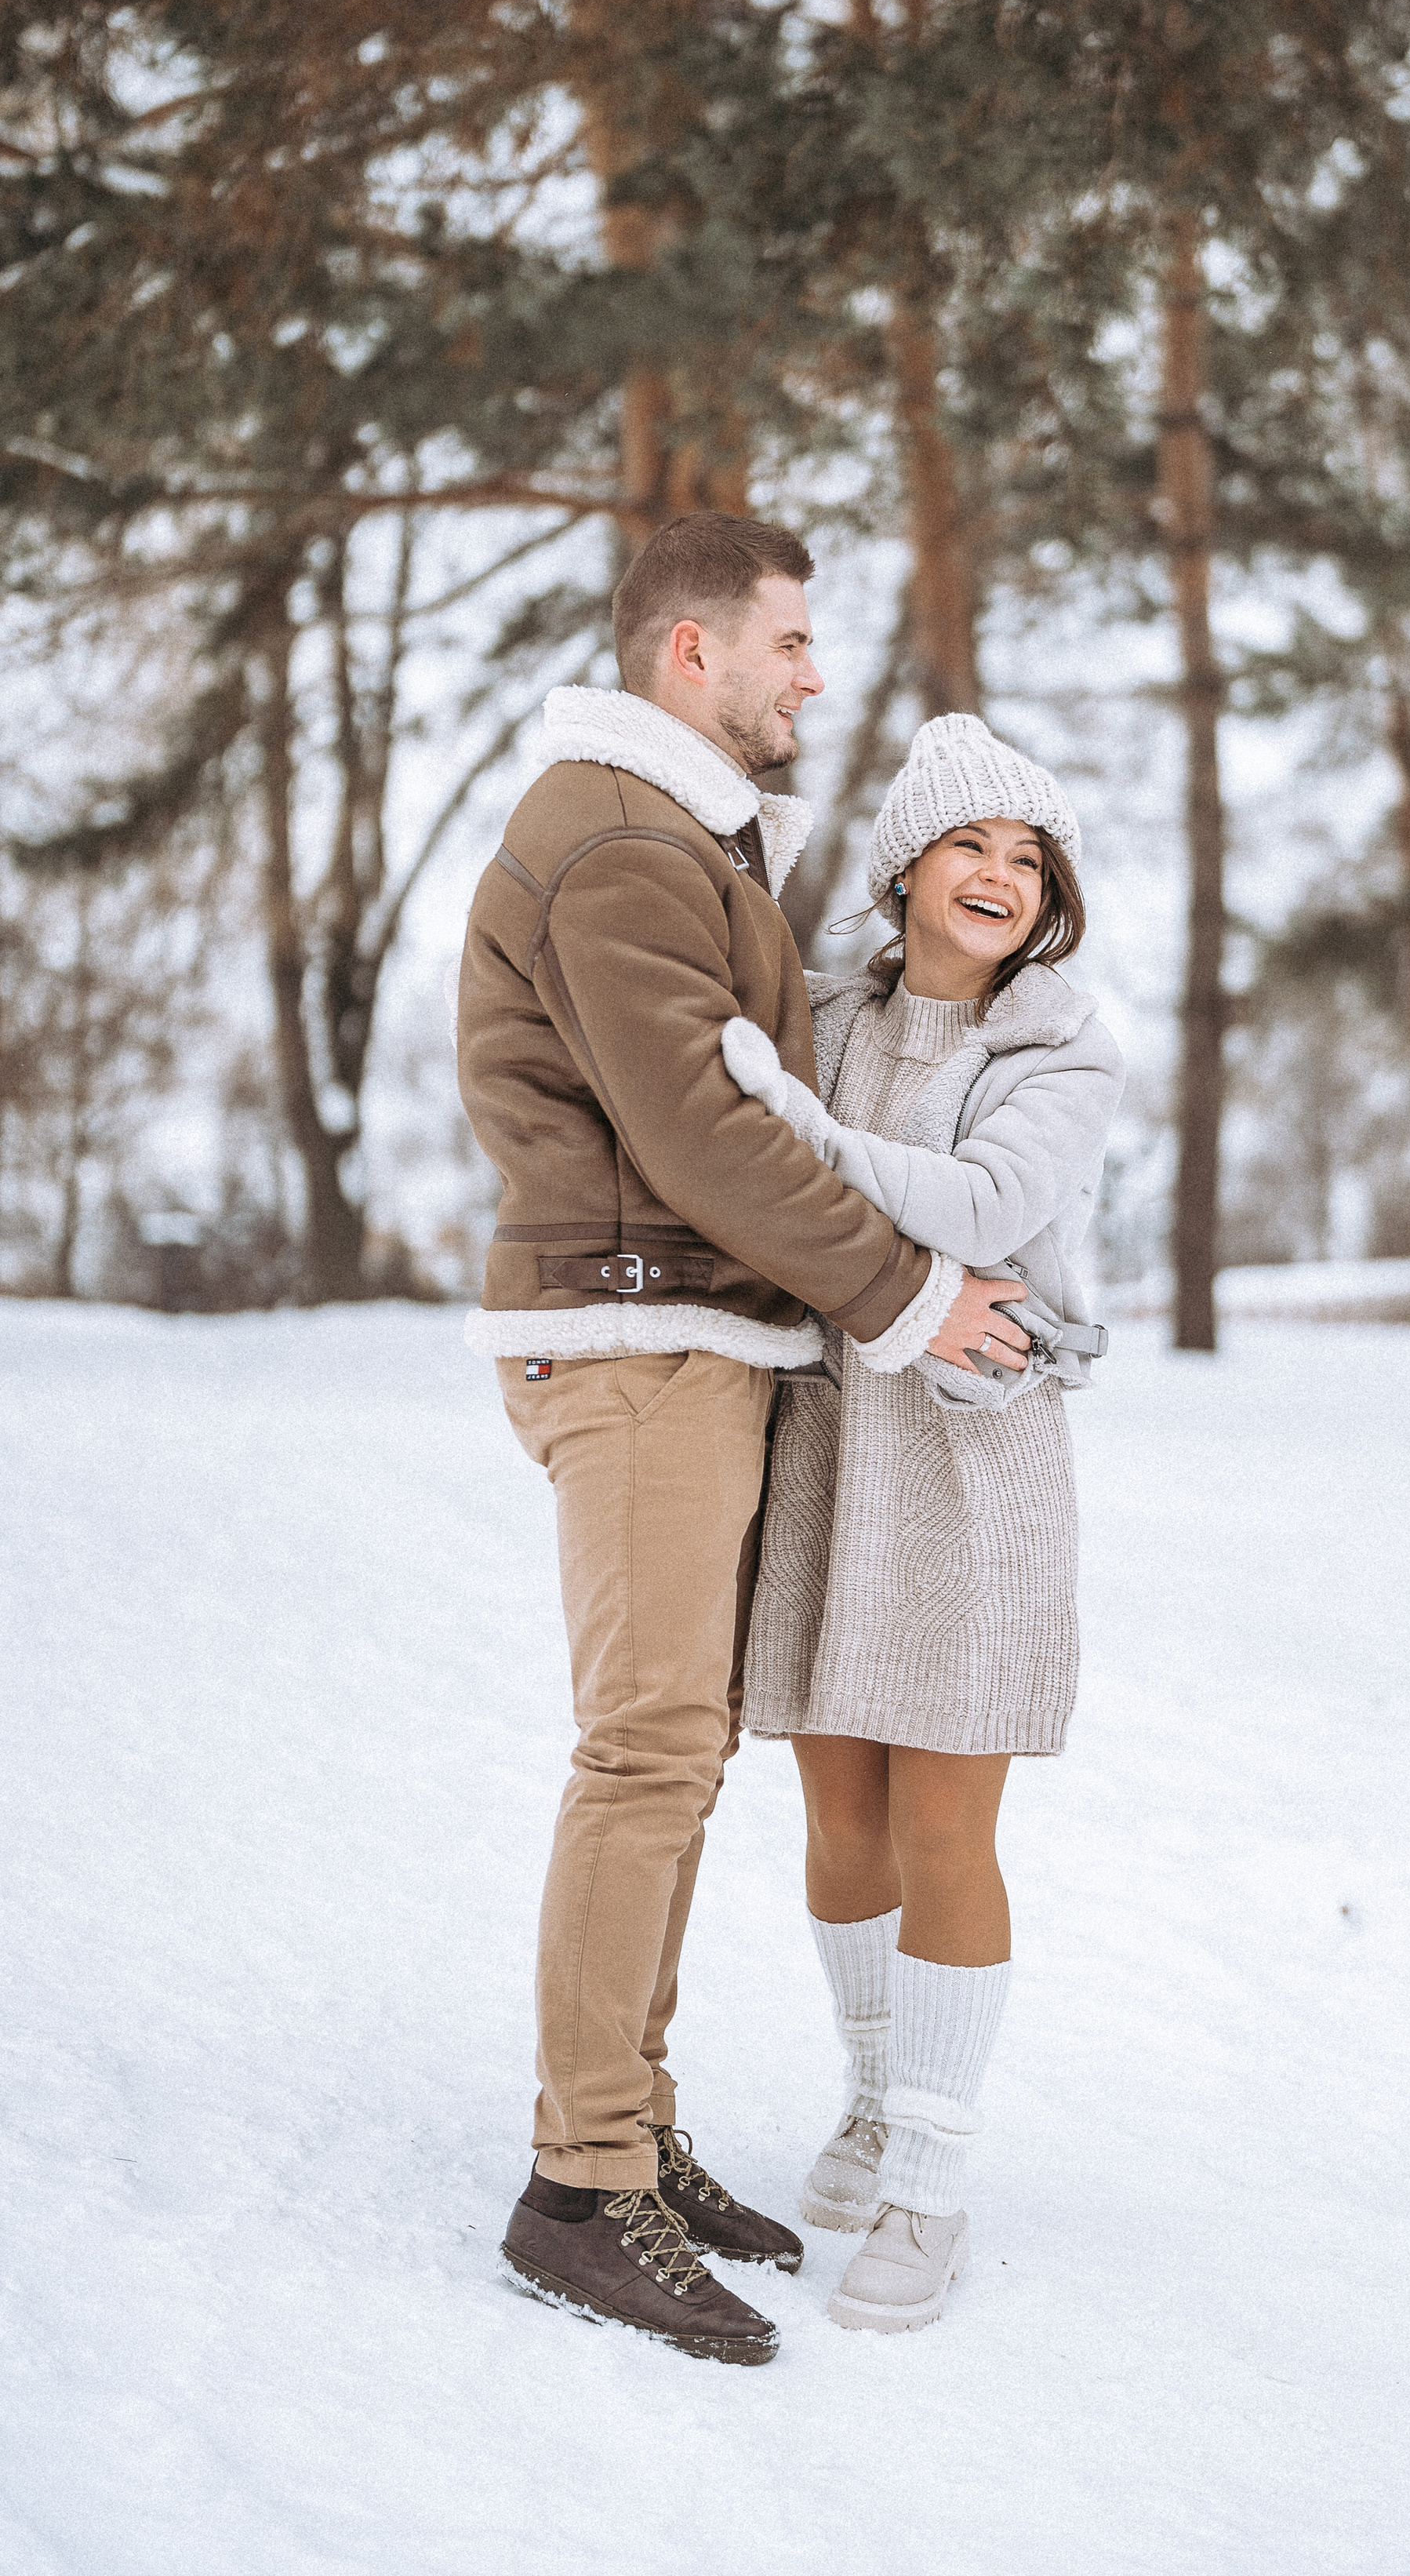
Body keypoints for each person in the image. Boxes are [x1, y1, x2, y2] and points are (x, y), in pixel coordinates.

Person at [455, 515, 1030, 2367]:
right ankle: (578, 2184)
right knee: (644, 1756)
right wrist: (903, 1293)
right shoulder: (616, 838)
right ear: (688, 655)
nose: (811, 674)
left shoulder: (671, 834)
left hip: (682, 1334)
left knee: (681, 1756)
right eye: (787, 642)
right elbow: (703, 1129)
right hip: (629, 1341)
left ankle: (634, 2128)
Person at [719, 713, 1123, 2334]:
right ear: (903, 867)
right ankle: (875, 2101)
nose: (1001, 878)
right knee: (841, 1824)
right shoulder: (816, 1014)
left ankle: (933, 2186)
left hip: (974, 1457)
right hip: (828, 1442)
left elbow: (968, 1217)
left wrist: (785, 1119)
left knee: (950, 1829)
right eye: (971, 845)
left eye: (1028, 859)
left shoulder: (1061, 1050)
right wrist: (771, 1089)